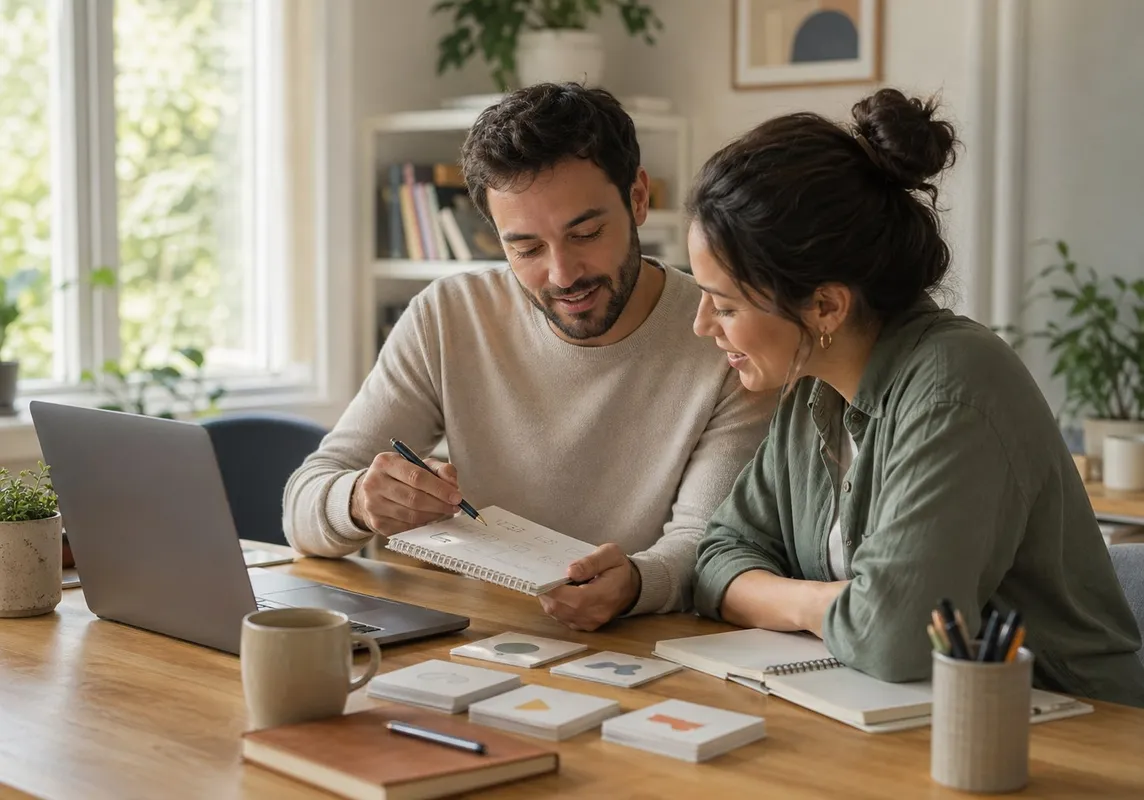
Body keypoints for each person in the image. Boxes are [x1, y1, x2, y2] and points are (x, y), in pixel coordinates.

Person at [686, 87, 1144, 707]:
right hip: (901, 718)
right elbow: (716, 560)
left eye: (726, 304)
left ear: (825, 305)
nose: (703, 325)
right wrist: (824, 603)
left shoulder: (957, 386)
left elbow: (892, 636)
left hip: (1072, 734)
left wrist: (803, 603)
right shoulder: (809, 387)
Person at [283, 83, 774, 631]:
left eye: (585, 233)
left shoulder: (724, 338)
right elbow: (303, 503)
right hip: (458, 631)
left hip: (622, 646)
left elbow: (707, 548)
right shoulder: (448, 315)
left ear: (638, 199)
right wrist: (357, 501)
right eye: (527, 249)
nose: (563, 275)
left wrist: (636, 582)